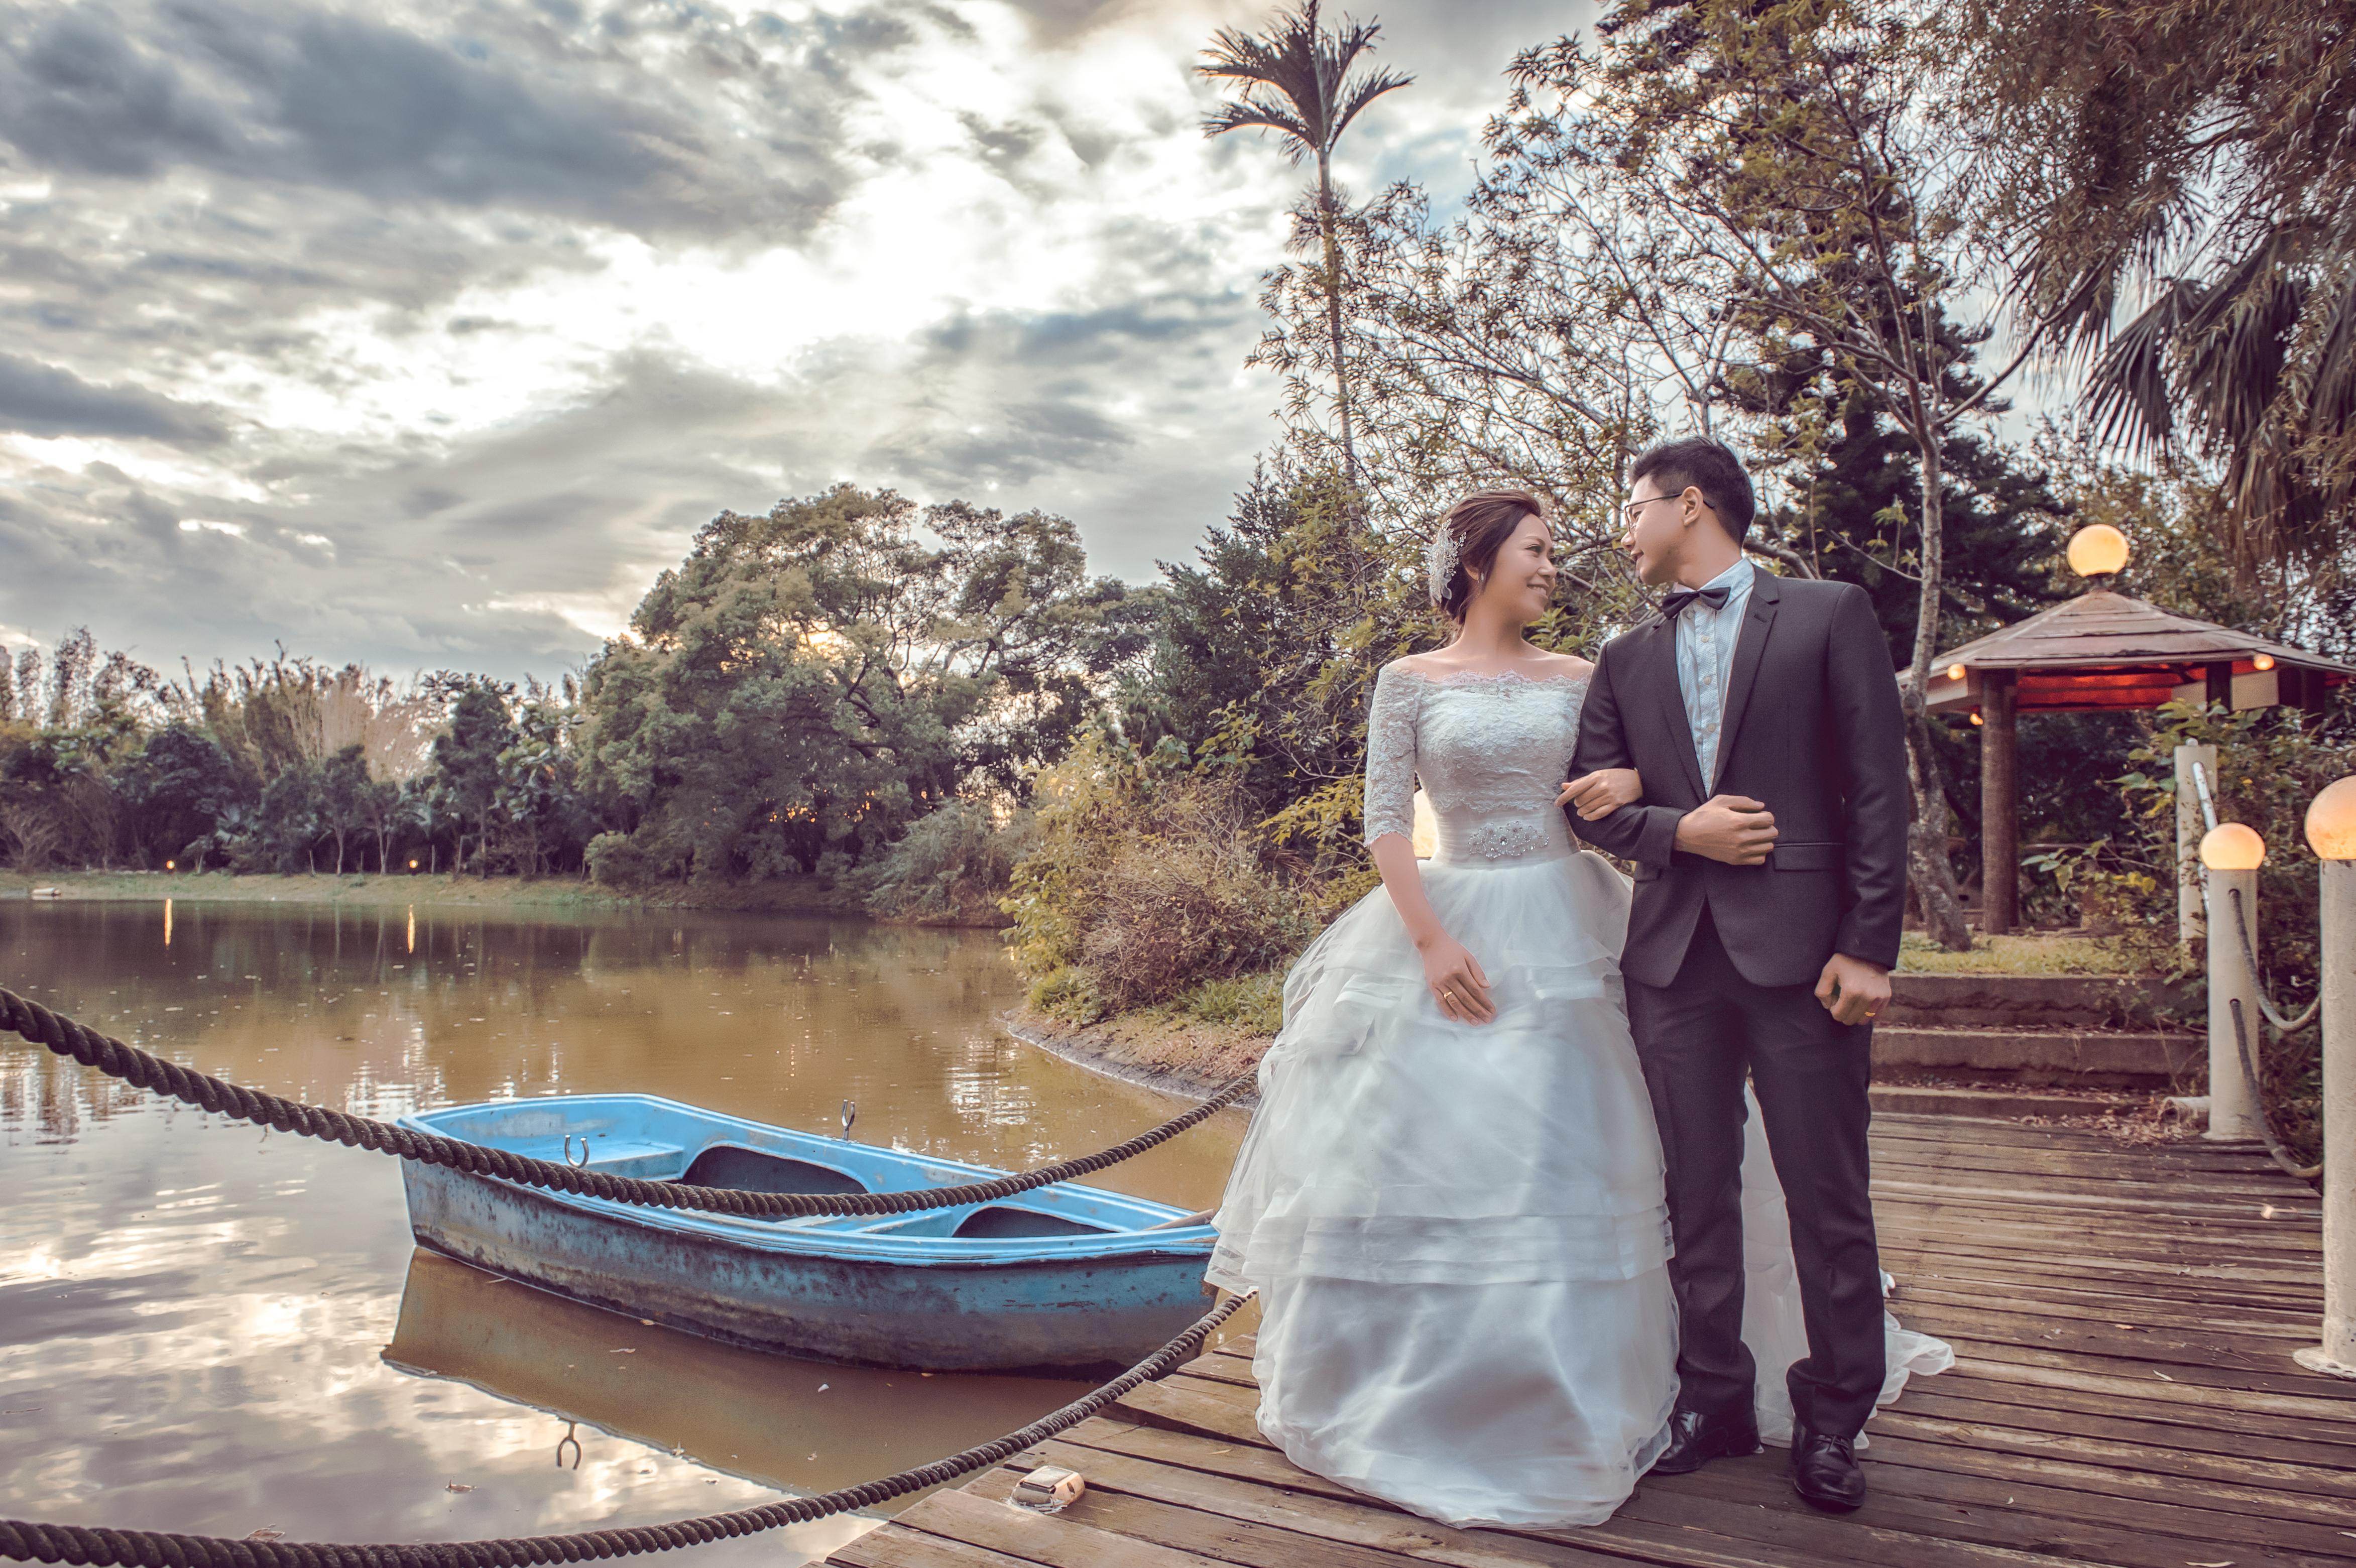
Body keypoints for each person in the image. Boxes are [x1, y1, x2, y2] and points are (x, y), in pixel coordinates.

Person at [1206, 478, 1945, 1531]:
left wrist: (1656, 805)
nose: (1556, 565)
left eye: (1559, 548)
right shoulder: (1405, 681)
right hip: (1451, 914)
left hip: (1581, 920)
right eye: (1537, 550)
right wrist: (1429, 937)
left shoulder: (1601, 670)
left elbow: (1641, 783)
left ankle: (1782, 1399)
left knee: (1656, 1158)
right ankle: (1493, 1388)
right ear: (1477, 563)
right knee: (1483, 1156)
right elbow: (1382, 819)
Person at [1568, 436, 1917, 1512]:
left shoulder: (1827, 613)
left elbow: (1877, 789)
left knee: (1827, 1195)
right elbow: (1585, 799)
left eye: (1633, 508)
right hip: (1672, 961)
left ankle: (1833, 1415)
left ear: (1692, 502)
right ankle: (1713, 1398)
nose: (1623, 528)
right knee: (1695, 1193)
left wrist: (1869, 944)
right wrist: (1683, 829)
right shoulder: (1624, 656)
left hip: (1809, 957)